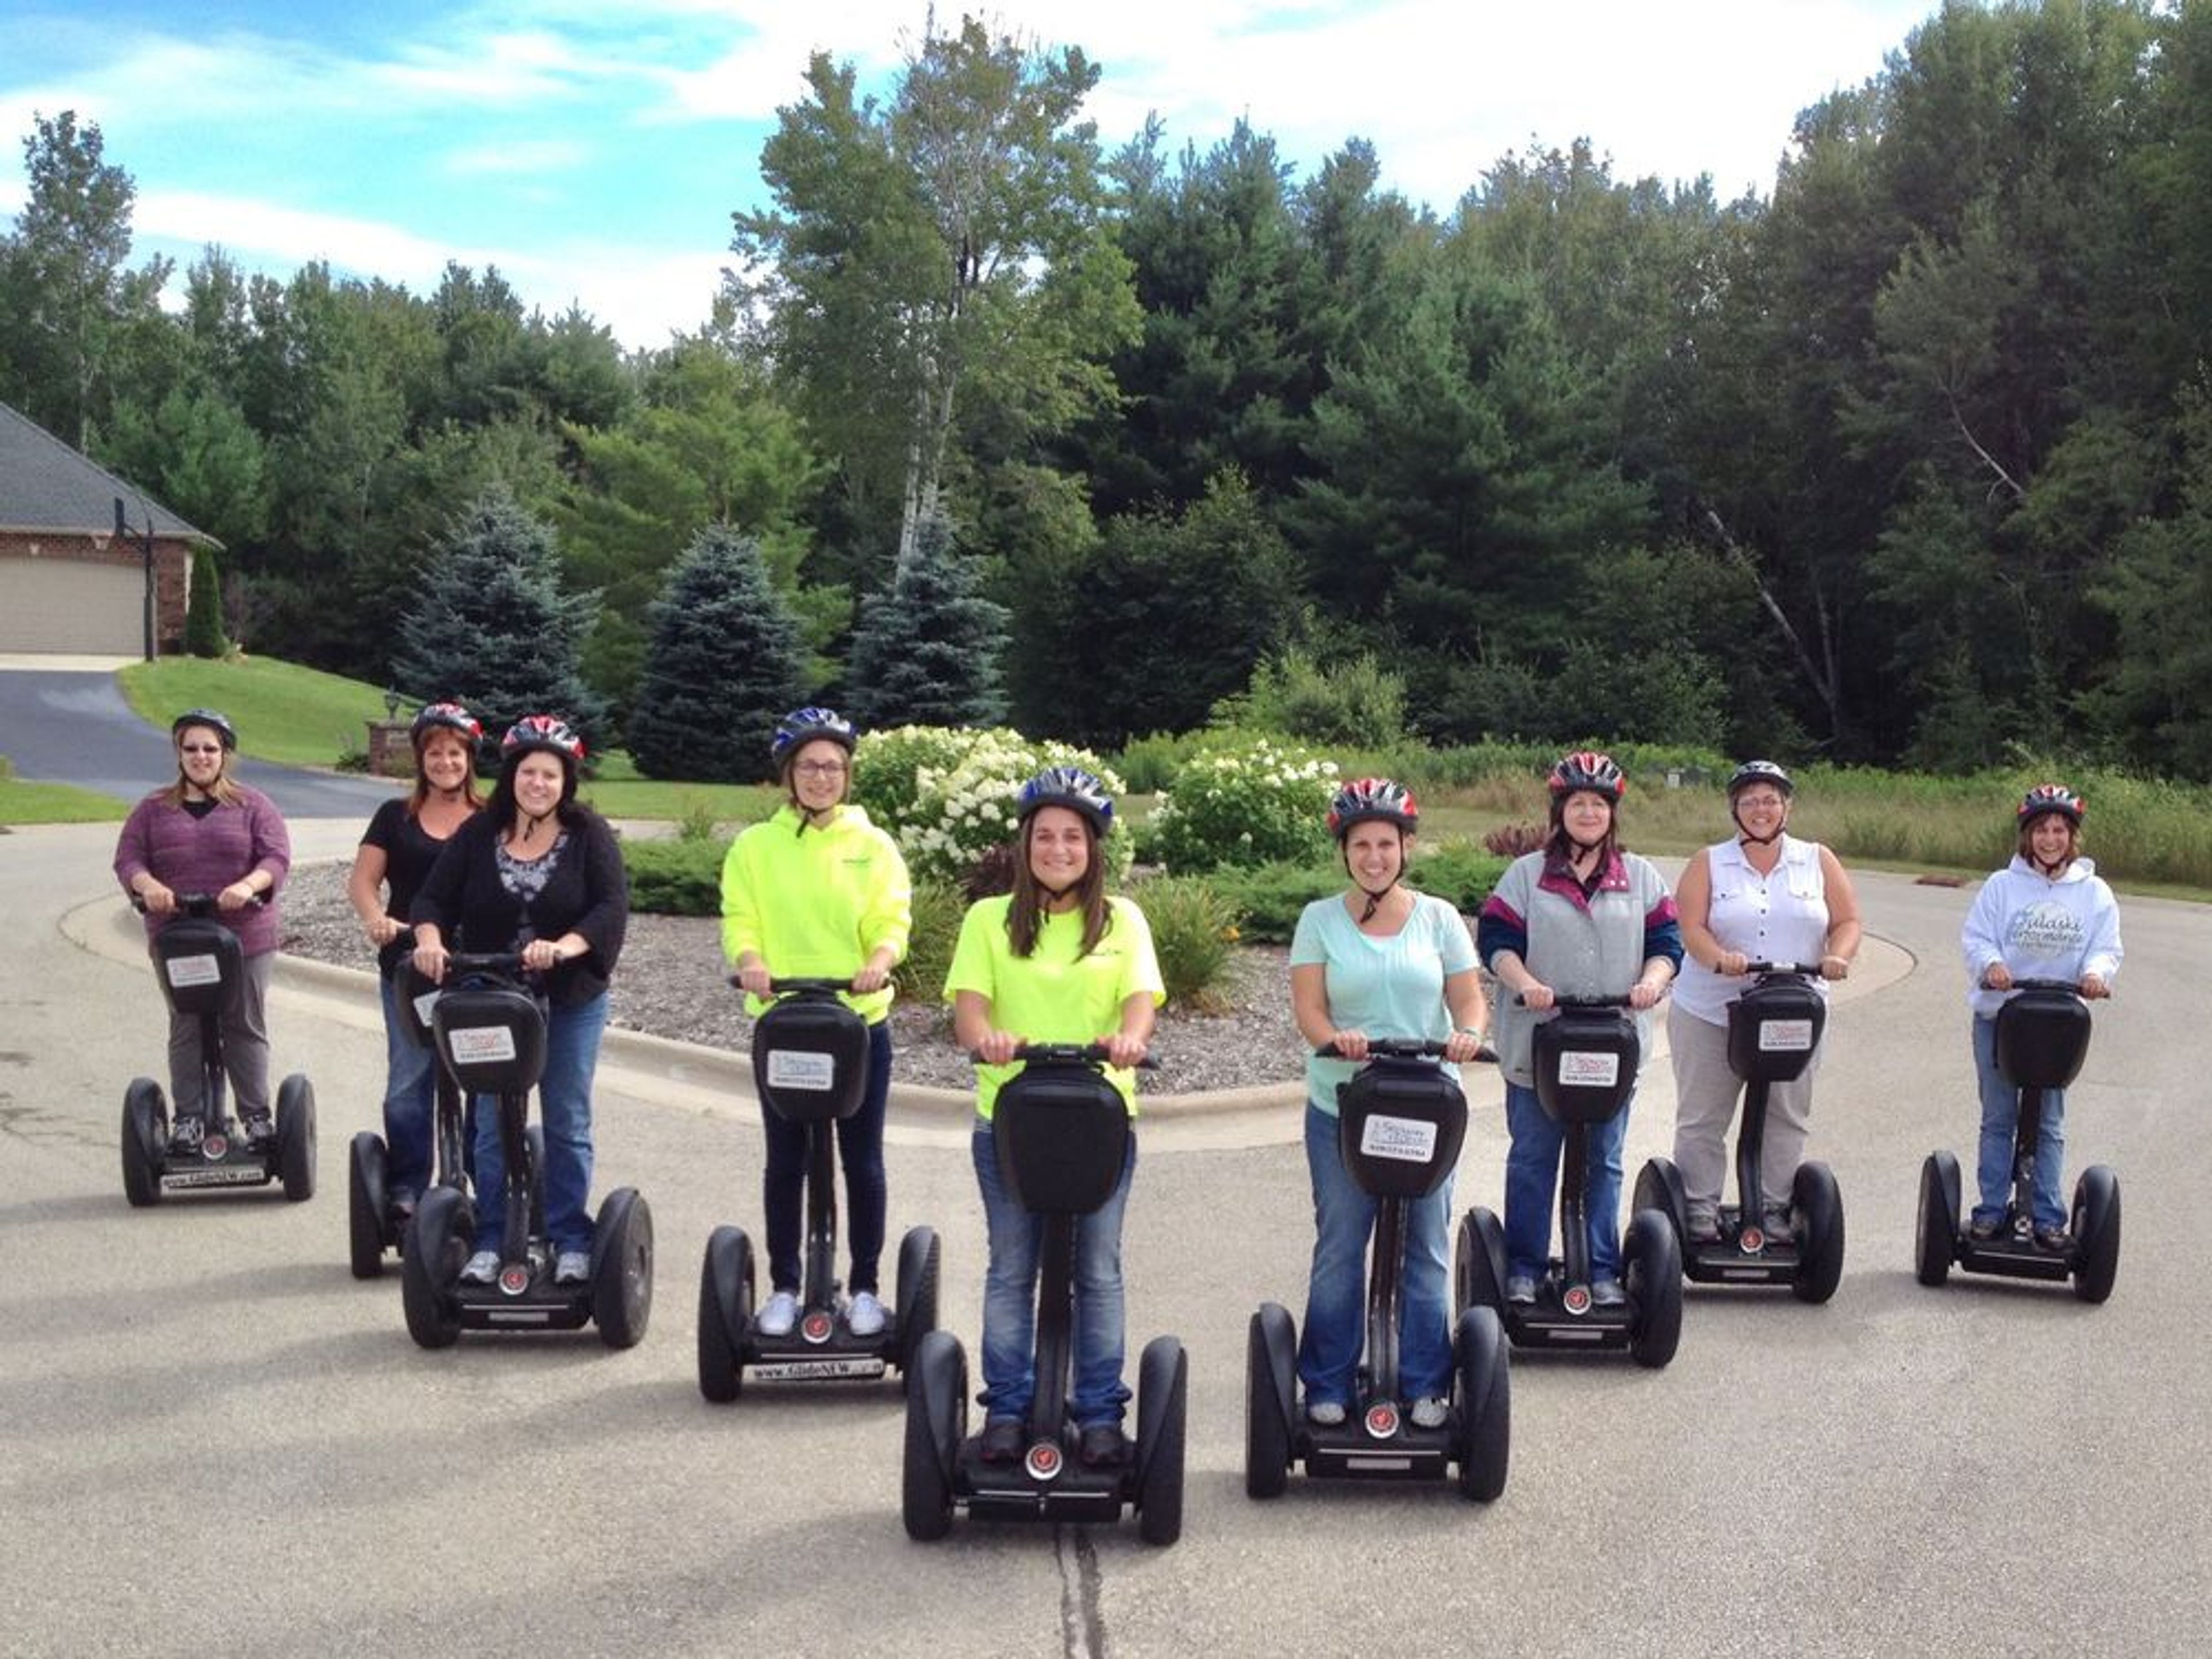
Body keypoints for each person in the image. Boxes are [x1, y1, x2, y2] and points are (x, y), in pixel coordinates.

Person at [946, 767, 1162, 1470]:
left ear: (1094, 848)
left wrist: (1132, 1040)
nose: (1058, 848)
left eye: (1073, 836)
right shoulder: (990, 920)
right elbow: (969, 1009)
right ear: (1025, 844)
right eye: (1045, 836)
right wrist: (987, 1039)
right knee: (1013, 1268)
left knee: (1097, 1271)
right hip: (1010, 1122)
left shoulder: (1123, 920)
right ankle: (1007, 1410)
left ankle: (1100, 1414)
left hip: (1099, 1122)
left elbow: (1140, 1002)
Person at [1289, 778, 1488, 1431]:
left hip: (1428, 1107)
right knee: (1343, 1243)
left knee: (1426, 1244)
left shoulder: (1438, 918)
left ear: (1406, 847)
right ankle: (1327, 1380)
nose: (1374, 856)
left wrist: (1469, 1035)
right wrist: (1333, 1040)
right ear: (1344, 851)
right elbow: (1310, 1010)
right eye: (1361, 844)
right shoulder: (1320, 919)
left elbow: (1469, 999)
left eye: (1386, 843)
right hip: (1344, 1106)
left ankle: (1427, 1381)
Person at [411, 715, 628, 1286]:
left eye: (550, 775)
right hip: (493, 996)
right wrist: (431, 944)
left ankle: (570, 1236)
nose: (538, 783)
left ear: (566, 782)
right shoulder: (480, 834)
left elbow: (610, 909)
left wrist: (566, 947)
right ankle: (491, 1235)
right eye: (528, 772)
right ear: (511, 778)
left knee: (565, 1118)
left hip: (570, 999)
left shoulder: (588, 835)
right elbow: (433, 900)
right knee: (489, 1118)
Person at [720, 706, 912, 1339]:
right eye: (809, 766)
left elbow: (891, 919)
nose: (822, 777)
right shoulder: (756, 847)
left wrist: (879, 962)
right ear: (789, 774)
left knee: (863, 1161)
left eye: (833, 767)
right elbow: (740, 919)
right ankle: (783, 1284)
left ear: (848, 774)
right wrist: (750, 962)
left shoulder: (872, 846)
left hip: (857, 1026)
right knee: (786, 1161)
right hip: (786, 1024)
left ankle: (863, 1286)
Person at [1478, 751, 1681, 1306]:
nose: (1588, 812)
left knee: (1604, 1160)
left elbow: (1667, 945)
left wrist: (1652, 982)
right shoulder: (1526, 875)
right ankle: (1523, 1266)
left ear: (1612, 814)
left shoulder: (1639, 877)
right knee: (1534, 1158)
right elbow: (1496, 942)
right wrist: (1525, 982)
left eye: (1598, 804)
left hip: (1612, 1046)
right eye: (1577, 803)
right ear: (1559, 811)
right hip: (1537, 1043)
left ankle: (1600, 1269)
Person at [1667, 760, 1862, 1243]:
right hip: (1713, 1011)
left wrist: (1837, 956)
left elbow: (1848, 922)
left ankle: (1775, 1207)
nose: (1761, 809)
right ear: (1735, 808)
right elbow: (1690, 928)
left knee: (1786, 1113)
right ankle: (1698, 1208)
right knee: (1704, 1115)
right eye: (1751, 800)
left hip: (1795, 1011)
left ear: (1787, 807)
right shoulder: (1709, 861)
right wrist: (1718, 958)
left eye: (1771, 799)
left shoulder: (1817, 859)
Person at [113, 709, 293, 1147]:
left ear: (225, 755)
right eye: (191, 748)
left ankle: (256, 1118)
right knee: (187, 1023)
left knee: (243, 1023)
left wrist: (247, 885)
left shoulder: (253, 806)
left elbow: (276, 858)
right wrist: (149, 886)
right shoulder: (153, 810)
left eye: (210, 748)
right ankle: (189, 1119)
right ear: (179, 753)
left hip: (244, 935)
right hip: (178, 939)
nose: (200, 756)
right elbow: (128, 859)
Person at [1959, 783, 2122, 1249]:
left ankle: (2047, 1216)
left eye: (2059, 830)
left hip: (2058, 1022)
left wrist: (2094, 974)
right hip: (2002, 1016)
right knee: (1998, 1117)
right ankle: (1991, 1210)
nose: (2050, 839)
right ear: (2026, 837)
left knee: (2049, 1121)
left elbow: (2106, 948)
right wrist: (1992, 966)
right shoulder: (2001, 886)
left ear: (2072, 838)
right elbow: (1977, 938)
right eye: (2041, 831)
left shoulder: (2094, 893)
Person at [346, 702, 486, 1218]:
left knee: (483, 1075)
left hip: (476, 969)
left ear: (469, 758)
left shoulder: (490, 817)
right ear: (420, 759)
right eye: (434, 753)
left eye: (454, 752)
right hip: (408, 968)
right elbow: (363, 882)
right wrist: (376, 918)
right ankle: (407, 1184)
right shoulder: (394, 817)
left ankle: (484, 1177)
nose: (445, 762)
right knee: (410, 1076)